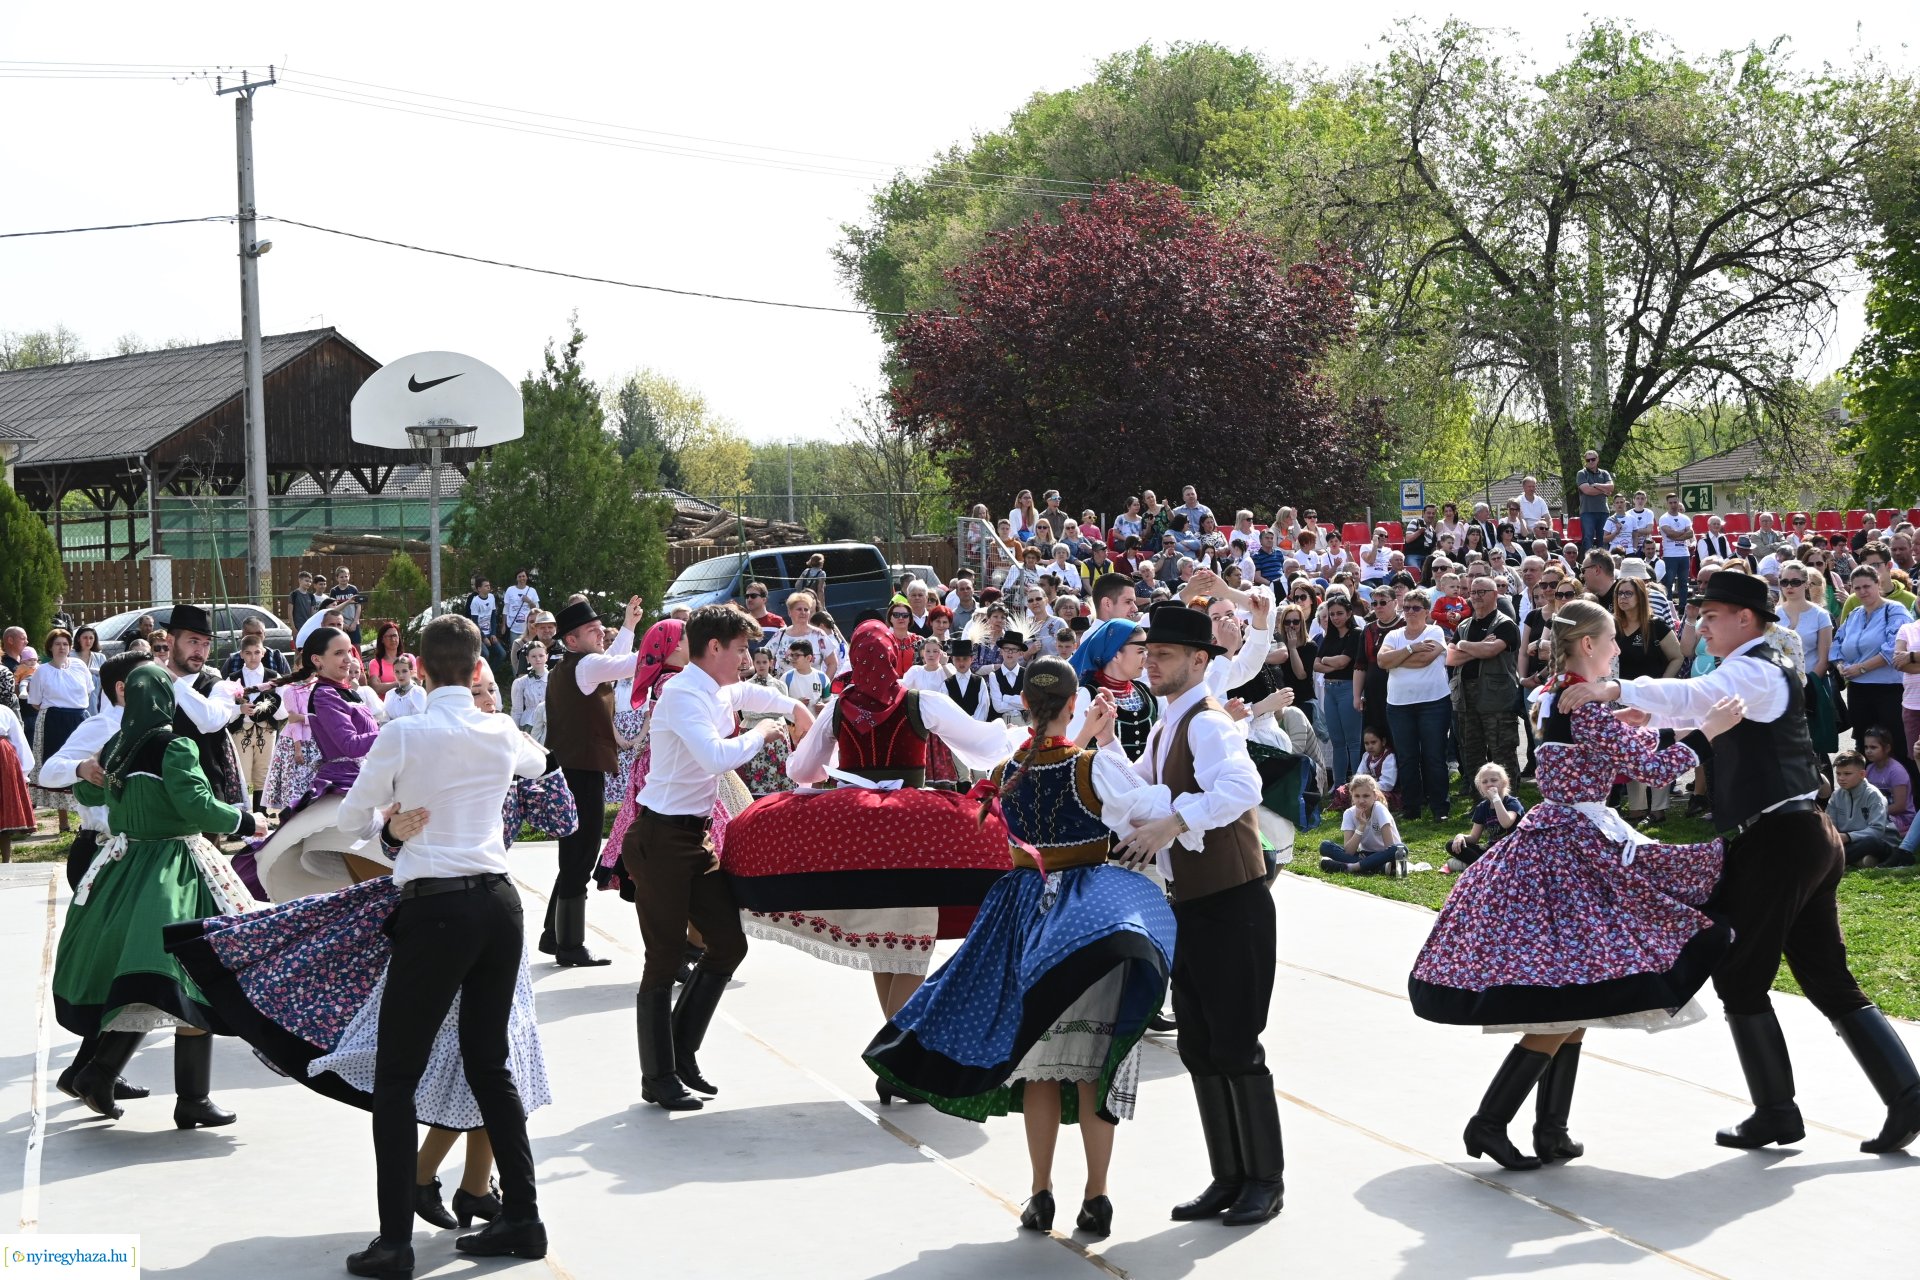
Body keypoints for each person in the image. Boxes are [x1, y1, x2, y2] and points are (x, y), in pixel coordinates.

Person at [1561, 571, 1920, 1153]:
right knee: (1824, 976)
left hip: (1781, 839)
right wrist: (1646, 716)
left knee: (1739, 973)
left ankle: (1777, 1110)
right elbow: (1700, 709)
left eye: (1712, 615)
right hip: (1798, 835)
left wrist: (1616, 690)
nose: (1701, 625)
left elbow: (1696, 696)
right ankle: (1905, 1095)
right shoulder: (1750, 670)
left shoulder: (1753, 670)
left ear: (1745, 619)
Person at [1413, 598, 1738, 1170]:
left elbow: (1622, 748)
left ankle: (1551, 1129)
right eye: (1611, 639)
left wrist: (1647, 723)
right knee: (1569, 991)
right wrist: (1709, 732)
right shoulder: (1580, 703)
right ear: (1588, 644)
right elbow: (1653, 769)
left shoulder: (1560, 695)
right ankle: (1491, 1121)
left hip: (1567, 840)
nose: (1617, 648)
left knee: (1581, 985)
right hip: (1571, 848)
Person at [864, 658, 1175, 1238]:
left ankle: (1040, 1192)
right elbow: (1152, 808)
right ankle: (1097, 1195)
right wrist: (1105, 743)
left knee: (1040, 1069)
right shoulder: (1093, 767)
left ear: (1024, 704)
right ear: (1074, 703)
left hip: (1025, 919)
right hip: (1091, 923)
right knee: (1093, 1067)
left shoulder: (1006, 770)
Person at [312, 613, 555, 1273]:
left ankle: (396, 1242)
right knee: (490, 1066)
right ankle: (524, 1218)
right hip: (499, 905)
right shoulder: (498, 728)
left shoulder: (404, 733)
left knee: (397, 1077)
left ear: (417, 669)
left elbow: (349, 819)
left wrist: (389, 828)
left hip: (436, 907)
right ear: (478, 670)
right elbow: (538, 762)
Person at [733, 621, 1017, 1024]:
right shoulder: (920, 702)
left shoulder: (838, 708)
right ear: (892, 657)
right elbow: (984, 748)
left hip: (859, 836)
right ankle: (901, 1046)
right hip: (912, 831)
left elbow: (803, 771)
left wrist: (828, 761)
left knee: (888, 940)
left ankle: (894, 1042)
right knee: (909, 933)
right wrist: (1014, 732)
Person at [1111, 602, 1283, 1227]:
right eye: (1148, 653)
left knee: (1235, 1044)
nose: (1151, 663)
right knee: (1200, 1046)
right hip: (1190, 905)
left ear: (1198, 660)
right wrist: (1095, 749)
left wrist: (1175, 822)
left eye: (1164, 654)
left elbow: (1243, 789)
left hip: (1232, 903)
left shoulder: (1208, 722)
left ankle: (1264, 1181)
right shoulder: (1167, 725)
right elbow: (1134, 791)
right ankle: (1228, 1177)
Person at [54, 665, 265, 1127]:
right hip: (177, 868)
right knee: (197, 973)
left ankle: (103, 1073)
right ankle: (188, 1097)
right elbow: (197, 806)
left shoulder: (116, 746)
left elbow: (93, 794)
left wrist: (93, 776)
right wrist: (247, 821)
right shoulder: (176, 746)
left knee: (149, 980)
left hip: (124, 868)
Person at [624, 606, 813, 1111]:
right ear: (714, 648)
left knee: (728, 944)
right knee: (663, 959)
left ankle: (681, 1053)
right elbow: (715, 756)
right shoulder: (682, 694)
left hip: (695, 837)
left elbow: (750, 694)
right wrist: (765, 731)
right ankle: (657, 1076)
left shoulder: (715, 686)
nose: (747, 659)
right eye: (741, 649)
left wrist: (794, 708)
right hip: (660, 840)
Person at [542, 595, 647, 968]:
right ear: (571, 640)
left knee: (574, 856)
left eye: (601, 627)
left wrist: (629, 626)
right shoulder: (585, 666)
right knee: (580, 857)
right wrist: (662, 645)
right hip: (579, 772)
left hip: (572, 769)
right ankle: (570, 944)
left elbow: (613, 662)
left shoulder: (577, 665)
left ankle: (554, 934)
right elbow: (625, 664)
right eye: (592, 630)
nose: (601, 632)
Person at [242, 627, 383, 904]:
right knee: (372, 875)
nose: (348, 659)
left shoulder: (348, 691)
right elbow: (349, 745)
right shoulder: (325, 694)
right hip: (345, 782)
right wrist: (392, 731)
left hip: (364, 778)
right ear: (318, 660)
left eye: (349, 651)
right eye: (339, 653)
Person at [1613, 574, 1685, 822]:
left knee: (1657, 750)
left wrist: (1662, 684)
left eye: (1628, 593)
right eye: (1619, 593)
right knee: (1631, 751)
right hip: (1624, 698)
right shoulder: (1612, 626)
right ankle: (1637, 807)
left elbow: (1677, 657)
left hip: (1655, 698)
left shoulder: (1656, 626)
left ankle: (1659, 808)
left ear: (1640, 596)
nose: (1622, 598)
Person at [161, 605, 248, 810]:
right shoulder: (149, 682)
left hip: (205, 798)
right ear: (170, 641)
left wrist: (172, 679)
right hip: (159, 795)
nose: (200, 651)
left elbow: (210, 721)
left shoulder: (219, 686)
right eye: (193, 641)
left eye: (206, 644)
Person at [1378, 590, 1453, 821]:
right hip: (1399, 705)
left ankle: (1440, 808)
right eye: (1407, 607)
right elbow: (1382, 661)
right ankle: (1411, 808)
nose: (1410, 612)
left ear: (1426, 612)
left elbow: (1424, 660)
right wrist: (1411, 649)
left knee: (1434, 756)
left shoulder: (1435, 631)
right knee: (1407, 757)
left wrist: (1397, 659)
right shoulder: (1393, 634)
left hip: (1433, 703)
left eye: (1416, 608)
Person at [1832, 563, 1913, 766]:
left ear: (1878, 584)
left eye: (1867, 586)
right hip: (1858, 691)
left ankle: (1904, 786)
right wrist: (1841, 666)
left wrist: (1861, 668)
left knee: (1895, 745)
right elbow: (1837, 645)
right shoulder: (1854, 614)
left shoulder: (1895, 611)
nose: (1862, 592)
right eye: (1857, 588)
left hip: (1889, 691)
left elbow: (1893, 649)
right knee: (1864, 746)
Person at [1447, 577, 1521, 791]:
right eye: (1473, 592)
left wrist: (1463, 645)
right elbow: (1450, 658)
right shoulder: (1464, 625)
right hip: (1466, 699)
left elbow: (1491, 650)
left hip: (1497, 700)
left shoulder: (1505, 624)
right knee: (1472, 753)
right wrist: (1476, 647)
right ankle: (1480, 802)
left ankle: (1509, 802)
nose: (1476, 596)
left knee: (1502, 753)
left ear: (1495, 594)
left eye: (1482, 592)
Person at [26, 627, 94, 833]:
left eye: (65, 644)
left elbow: (88, 691)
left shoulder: (79, 666)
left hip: (79, 719)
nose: (62, 647)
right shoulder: (42, 671)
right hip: (53, 720)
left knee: (84, 764)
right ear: (50, 647)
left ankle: (87, 820)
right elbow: (35, 702)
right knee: (58, 765)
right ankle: (63, 821)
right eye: (58, 644)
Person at [1318, 773, 1408, 876]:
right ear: (1352, 795)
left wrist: (1378, 858)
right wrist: (1361, 826)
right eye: (1357, 796)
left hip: (1386, 854)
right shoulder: (1349, 813)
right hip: (1365, 855)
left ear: (1374, 796)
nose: (1361, 801)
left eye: (1366, 796)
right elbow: (1349, 852)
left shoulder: (1379, 809)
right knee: (1325, 846)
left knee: (1401, 848)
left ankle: (1352, 867)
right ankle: (1381, 868)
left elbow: (1389, 846)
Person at [228, 635, 280, 814]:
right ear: (241, 654)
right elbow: (224, 706)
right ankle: (245, 815)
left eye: (257, 652)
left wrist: (268, 709)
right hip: (241, 729)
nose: (253, 657)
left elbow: (283, 706)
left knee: (263, 771)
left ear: (263, 652)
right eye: (248, 653)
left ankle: (261, 814)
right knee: (243, 771)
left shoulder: (273, 677)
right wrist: (240, 709)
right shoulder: (233, 678)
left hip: (267, 729)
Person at [1829, 750, 1905, 868]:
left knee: (1870, 843)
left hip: (1878, 841)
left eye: (1847, 774)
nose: (1841, 778)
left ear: (1862, 774)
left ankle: (1832, 859)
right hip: (1848, 842)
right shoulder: (1836, 795)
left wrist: (1847, 837)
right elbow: (1830, 825)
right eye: (1838, 774)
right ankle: (1858, 860)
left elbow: (1877, 830)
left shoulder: (1873, 795)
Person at [1446, 762, 1525, 871]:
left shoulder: (1512, 802)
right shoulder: (1482, 807)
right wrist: (1460, 836)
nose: (1489, 784)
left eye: (1494, 780)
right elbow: (1474, 838)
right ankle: (1486, 866)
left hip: (1512, 849)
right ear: (1480, 787)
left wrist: (1496, 799)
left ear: (1504, 782)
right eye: (1484, 782)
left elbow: (1506, 823)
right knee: (1451, 844)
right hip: (1492, 850)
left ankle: (1481, 867)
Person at [0, 695, 30, 865]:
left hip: (3, 761)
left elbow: (19, 741)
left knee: (3, 808)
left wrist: (24, 772)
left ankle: (6, 859)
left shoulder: (4, 711)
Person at [464, 578, 508, 669]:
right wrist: (484, 638)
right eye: (486, 586)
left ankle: (490, 673)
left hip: (490, 632)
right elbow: (474, 622)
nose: (489, 587)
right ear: (479, 589)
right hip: (479, 634)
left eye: (489, 585)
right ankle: (480, 674)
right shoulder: (475, 601)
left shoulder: (491, 597)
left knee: (502, 654)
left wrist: (493, 634)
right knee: (485, 654)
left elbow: (493, 617)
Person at [1575, 451, 1615, 550]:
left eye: (1593, 459)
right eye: (1588, 460)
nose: (1591, 462)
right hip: (1587, 512)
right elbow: (1587, 490)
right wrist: (1604, 490)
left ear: (1597, 459)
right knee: (1588, 538)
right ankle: (1588, 559)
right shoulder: (1581, 473)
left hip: (1603, 512)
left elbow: (1611, 487)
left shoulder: (1604, 473)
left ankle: (1604, 559)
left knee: (1603, 539)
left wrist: (1596, 485)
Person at [330, 567, 368, 645]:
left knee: (356, 645)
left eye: (346, 576)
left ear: (349, 576)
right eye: (341, 577)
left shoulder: (353, 589)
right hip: (340, 623)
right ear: (337, 578)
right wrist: (342, 624)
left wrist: (355, 622)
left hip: (353, 622)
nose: (344, 578)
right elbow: (333, 609)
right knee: (342, 645)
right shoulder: (334, 591)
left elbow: (358, 606)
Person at [383, 654, 428, 721]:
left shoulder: (418, 692)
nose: (400, 675)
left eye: (404, 671)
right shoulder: (390, 694)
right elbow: (385, 718)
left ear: (411, 672)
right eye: (397, 672)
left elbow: (421, 719)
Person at [502, 568, 540, 645]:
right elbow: (506, 608)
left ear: (527, 577)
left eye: (523, 576)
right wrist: (503, 625)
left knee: (529, 649)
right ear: (516, 578)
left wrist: (529, 601)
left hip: (528, 628)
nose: (522, 578)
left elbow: (537, 609)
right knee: (515, 649)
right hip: (513, 627)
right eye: (519, 576)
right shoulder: (510, 590)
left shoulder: (532, 591)